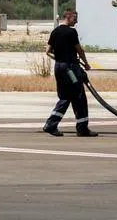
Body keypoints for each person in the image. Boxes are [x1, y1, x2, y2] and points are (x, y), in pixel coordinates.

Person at [42, 9, 98, 137]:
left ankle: (52, 124)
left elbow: (48, 51)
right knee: (78, 95)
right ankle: (81, 128)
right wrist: (86, 64)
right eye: (75, 18)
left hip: (59, 68)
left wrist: (60, 59)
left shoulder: (55, 31)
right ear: (68, 17)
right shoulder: (71, 32)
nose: (76, 21)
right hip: (70, 70)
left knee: (65, 96)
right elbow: (80, 50)